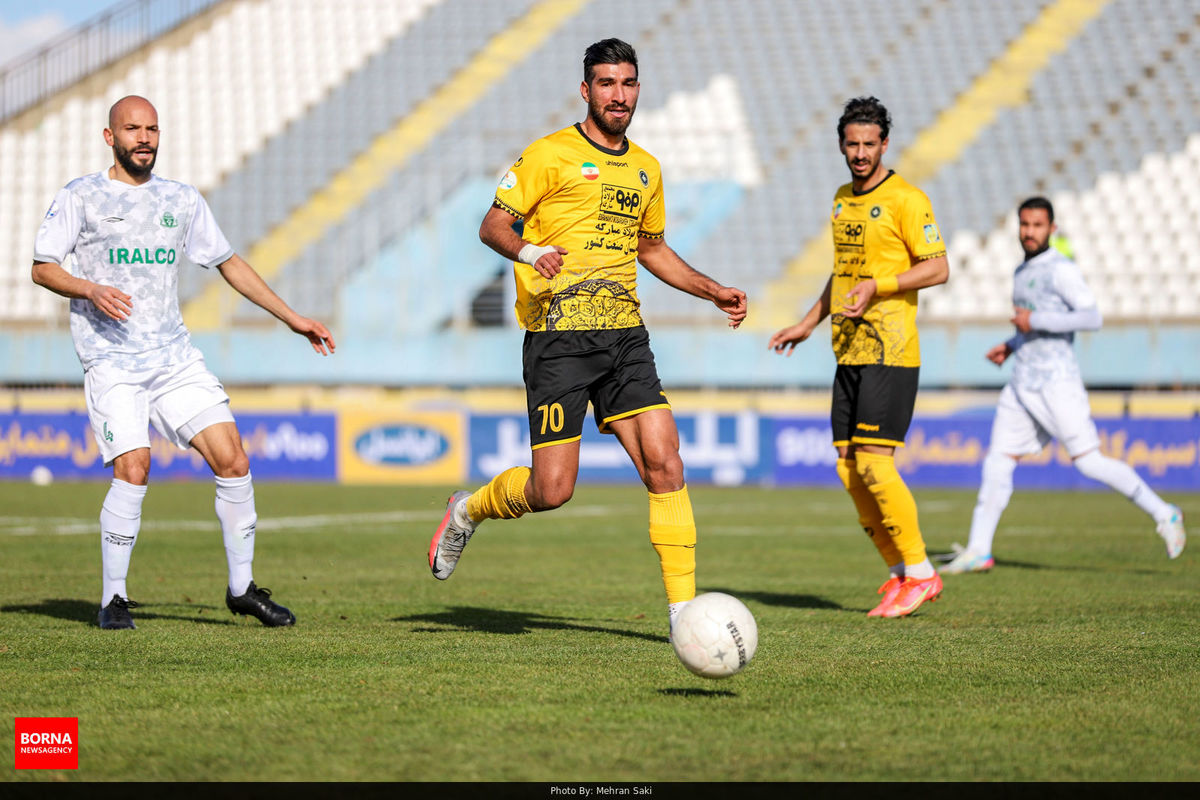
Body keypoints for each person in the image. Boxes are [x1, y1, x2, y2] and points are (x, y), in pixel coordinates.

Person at [427, 39, 747, 632]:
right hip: (559, 338)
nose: (618, 95)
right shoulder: (549, 155)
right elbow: (493, 224)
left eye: (627, 83)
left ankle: (684, 618)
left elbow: (651, 248)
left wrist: (710, 289)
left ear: (637, 89)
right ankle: (468, 509)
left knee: (666, 464)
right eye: (606, 83)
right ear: (586, 90)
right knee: (552, 491)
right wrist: (529, 250)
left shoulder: (647, 168)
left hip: (624, 334)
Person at [32, 96, 336, 630]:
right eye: (132, 129)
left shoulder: (182, 199)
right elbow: (42, 268)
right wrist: (89, 288)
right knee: (134, 469)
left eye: (151, 129)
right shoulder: (81, 196)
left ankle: (242, 589)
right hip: (113, 361)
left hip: (174, 358)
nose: (143, 138)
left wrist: (292, 317)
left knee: (234, 461)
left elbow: (229, 263)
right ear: (110, 137)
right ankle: (113, 599)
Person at [768, 97, 949, 618]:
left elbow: (938, 268)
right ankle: (898, 573)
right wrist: (808, 322)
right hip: (848, 351)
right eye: (853, 144)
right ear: (842, 145)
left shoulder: (907, 200)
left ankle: (922, 572)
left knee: (874, 463)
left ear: (885, 144)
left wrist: (881, 285)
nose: (861, 152)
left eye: (871, 144)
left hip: (891, 350)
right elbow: (844, 272)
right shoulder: (842, 199)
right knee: (849, 469)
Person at [942, 197, 1185, 573]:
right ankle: (979, 549)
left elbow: (1091, 317)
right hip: (1023, 381)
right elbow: (1030, 324)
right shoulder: (1021, 270)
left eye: (1037, 225)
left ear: (1051, 229)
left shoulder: (1061, 269)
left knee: (1089, 463)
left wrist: (1035, 320)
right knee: (998, 459)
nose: (1029, 232)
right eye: (1024, 225)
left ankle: (1164, 513)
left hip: (1057, 384)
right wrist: (1010, 345)